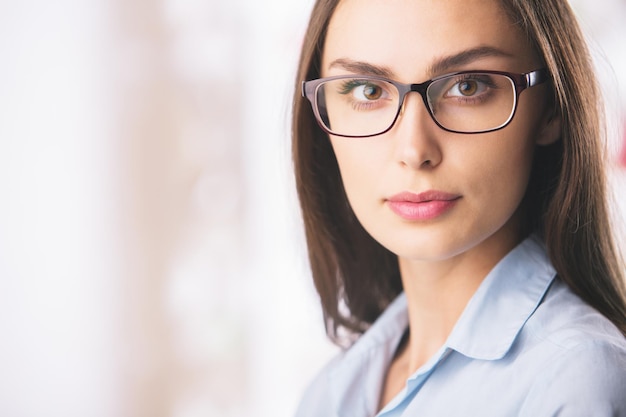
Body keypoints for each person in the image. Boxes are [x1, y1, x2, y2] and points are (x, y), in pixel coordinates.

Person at [290, 0, 626, 415]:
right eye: (368, 90)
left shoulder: (575, 378)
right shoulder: (331, 392)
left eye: (467, 86)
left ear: (551, 108)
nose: (414, 150)